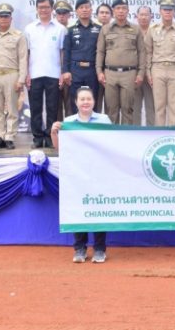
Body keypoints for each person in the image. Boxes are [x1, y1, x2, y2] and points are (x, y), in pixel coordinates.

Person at [50, 86, 112, 264]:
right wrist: (54, 132)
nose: (85, 102)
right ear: (76, 102)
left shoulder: (104, 120)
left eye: (89, 99)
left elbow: (112, 144)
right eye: (82, 99)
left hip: (99, 173)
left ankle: (100, 249)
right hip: (77, 175)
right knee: (79, 210)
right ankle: (80, 248)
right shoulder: (68, 122)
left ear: (94, 101)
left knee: (99, 210)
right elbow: (59, 148)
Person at [96, 0, 145, 125]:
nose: (121, 11)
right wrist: (99, 72)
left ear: (128, 10)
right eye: (118, 8)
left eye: (124, 8)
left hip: (129, 74)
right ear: (113, 10)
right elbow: (100, 52)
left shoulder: (136, 29)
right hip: (110, 74)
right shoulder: (105, 29)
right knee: (111, 109)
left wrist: (140, 74)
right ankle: (113, 139)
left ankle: (127, 139)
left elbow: (142, 52)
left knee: (127, 109)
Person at [25, 0, 66, 148]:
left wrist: (62, 72)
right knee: (35, 108)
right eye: (41, 7)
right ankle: (37, 137)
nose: (43, 10)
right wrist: (26, 73)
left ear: (52, 9)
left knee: (52, 107)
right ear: (36, 9)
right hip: (34, 73)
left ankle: (49, 136)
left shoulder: (60, 29)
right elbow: (26, 53)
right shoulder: (29, 28)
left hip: (54, 74)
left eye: (46, 7)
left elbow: (62, 53)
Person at [145, 0, 175, 126]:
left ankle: (173, 133)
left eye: (170, 9)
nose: (168, 12)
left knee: (174, 106)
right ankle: (160, 133)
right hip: (157, 69)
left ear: (174, 11)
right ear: (160, 11)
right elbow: (148, 52)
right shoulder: (152, 30)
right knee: (159, 106)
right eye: (165, 9)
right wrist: (148, 72)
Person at [0, 3, 28, 150]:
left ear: (11, 18)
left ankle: (10, 136)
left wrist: (21, 79)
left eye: (6, 16)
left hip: (12, 74)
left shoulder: (19, 36)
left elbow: (23, 58)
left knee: (12, 108)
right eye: (1, 16)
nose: (4, 19)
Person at [62, 0, 101, 115]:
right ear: (76, 11)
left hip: (92, 70)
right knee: (76, 101)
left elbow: (102, 52)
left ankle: (91, 130)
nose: (84, 10)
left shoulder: (99, 29)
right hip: (76, 70)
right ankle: (77, 130)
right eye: (81, 7)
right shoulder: (70, 30)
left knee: (92, 100)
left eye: (87, 7)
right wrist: (66, 71)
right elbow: (67, 52)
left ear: (91, 10)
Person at [133, 5, 155, 126]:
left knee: (151, 107)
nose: (143, 17)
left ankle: (151, 132)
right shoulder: (132, 30)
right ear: (137, 17)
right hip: (136, 74)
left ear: (151, 16)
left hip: (151, 75)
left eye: (146, 15)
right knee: (135, 107)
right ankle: (135, 133)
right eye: (141, 15)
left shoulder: (156, 31)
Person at [55, 0, 73, 120]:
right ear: (55, 14)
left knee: (70, 105)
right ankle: (57, 134)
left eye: (64, 13)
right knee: (55, 106)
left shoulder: (72, 31)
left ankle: (70, 133)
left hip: (69, 73)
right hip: (54, 72)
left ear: (69, 15)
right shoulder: (51, 30)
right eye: (59, 13)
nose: (62, 16)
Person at [94, 3, 112, 112]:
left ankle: (109, 128)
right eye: (101, 13)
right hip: (95, 72)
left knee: (110, 105)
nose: (104, 15)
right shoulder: (92, 30)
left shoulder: (115, 29)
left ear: (111, 15)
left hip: (111, 72)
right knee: (96, 104)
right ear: (97, 15)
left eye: (107, 13)